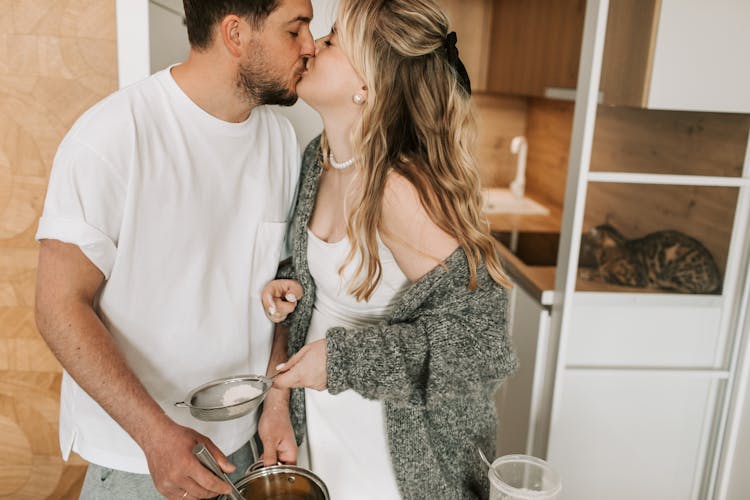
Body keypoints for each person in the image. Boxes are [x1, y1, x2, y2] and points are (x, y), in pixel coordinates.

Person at [33, 1, 314, 498]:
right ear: (235, 34)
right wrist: (153, 435)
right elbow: (58, 307)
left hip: (245, 448)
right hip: (137, 460)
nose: (310, 47)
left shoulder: (281, 141)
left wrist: (274, 405)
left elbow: (281, 290)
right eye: (296, 30)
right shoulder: (113, 136)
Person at [257, 0, 519, 498]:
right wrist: (291, 287)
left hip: (388, 457)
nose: (311, 45)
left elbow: (480, 345)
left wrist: (343, 361)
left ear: (367, 86)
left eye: (332, 42)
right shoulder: (320, 159)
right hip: (320, 430)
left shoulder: (399, 190)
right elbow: (330, 289)